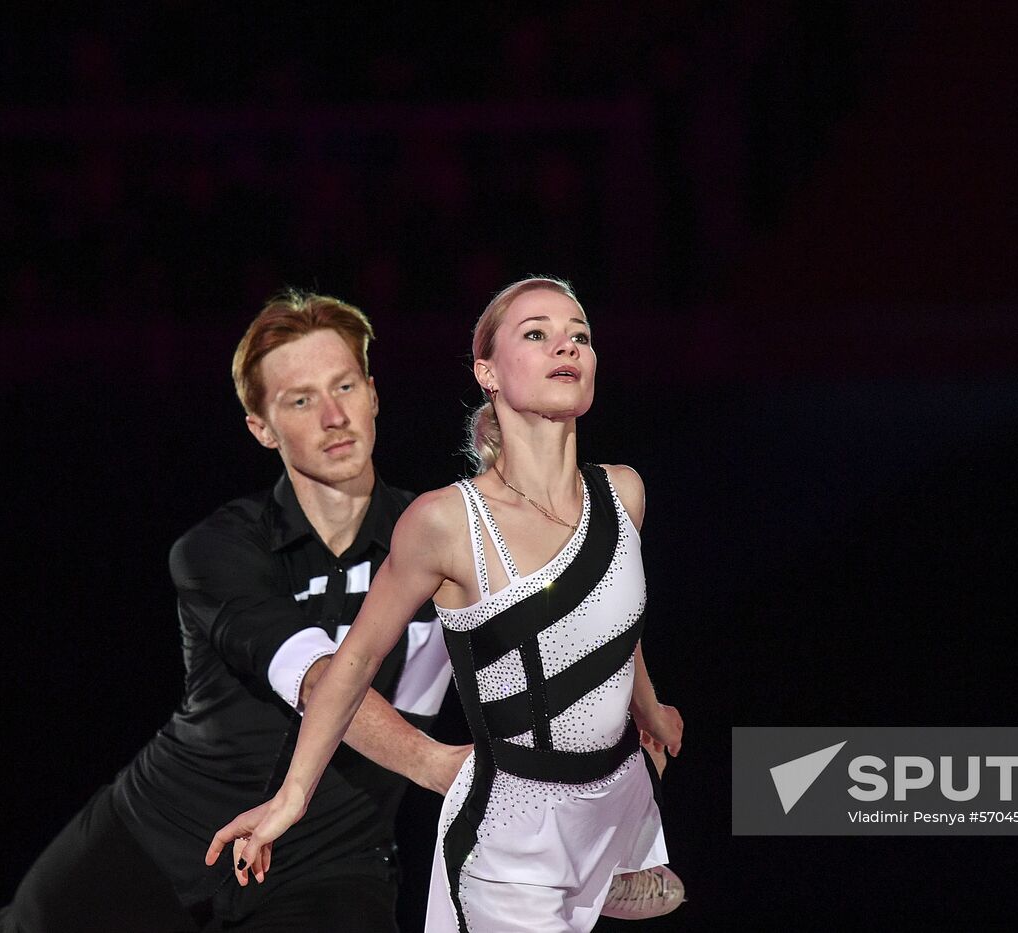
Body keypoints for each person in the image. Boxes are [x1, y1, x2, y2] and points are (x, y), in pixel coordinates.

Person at [207, 277, 684, 932]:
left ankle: (608, 865)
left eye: (580, 335)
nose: (567, 346)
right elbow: (353, 663)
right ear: (487, 372)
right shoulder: (447, 523)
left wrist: (648, 706)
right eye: (537, 333)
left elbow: (608, 613)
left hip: (615, 801)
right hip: (512, 837)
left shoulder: (623, 493)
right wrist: (291, 798)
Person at [0, 293, 462, 933]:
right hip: (156, 843)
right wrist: (436, 765)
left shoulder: (446, 541)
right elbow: (316, 679)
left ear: (373, 394)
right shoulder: (218, 548)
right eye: (300, 401)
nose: (333, 416)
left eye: (345, 386)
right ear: (262, 428)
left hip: (330, 869)